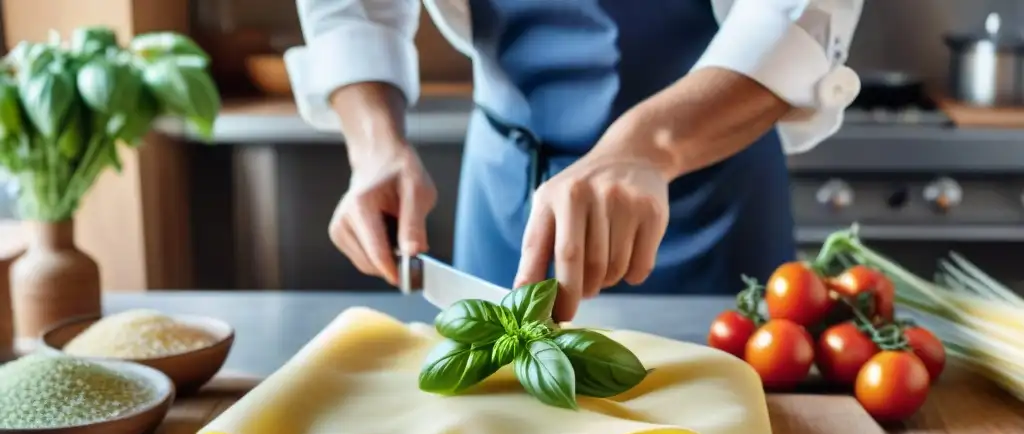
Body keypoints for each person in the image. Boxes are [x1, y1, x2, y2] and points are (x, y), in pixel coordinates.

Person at [287, 0, 863, 320]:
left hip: (710, 191)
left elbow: (799, 16)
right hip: (506, 191)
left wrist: (648, 146)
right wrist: (374, 145)